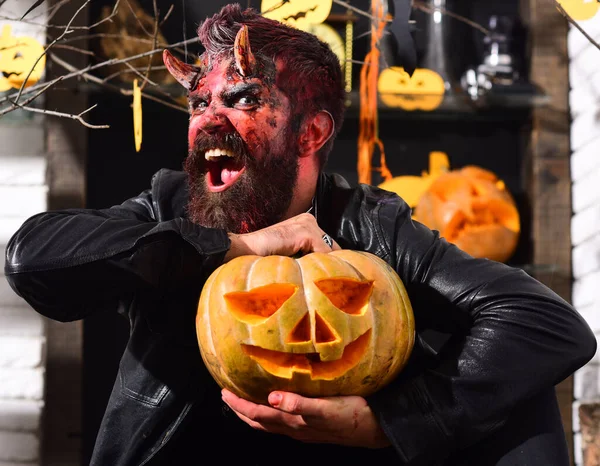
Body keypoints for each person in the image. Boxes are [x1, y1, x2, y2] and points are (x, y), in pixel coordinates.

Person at [4, 4, 596, 466]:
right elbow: (32, 260)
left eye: (242, 99)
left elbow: (547, 325)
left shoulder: (370, 224)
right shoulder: (170, 206)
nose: (209, 118)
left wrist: (391, 424)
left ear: (311, 133)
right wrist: (233, 248)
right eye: (198, 102)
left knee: (519, 390)